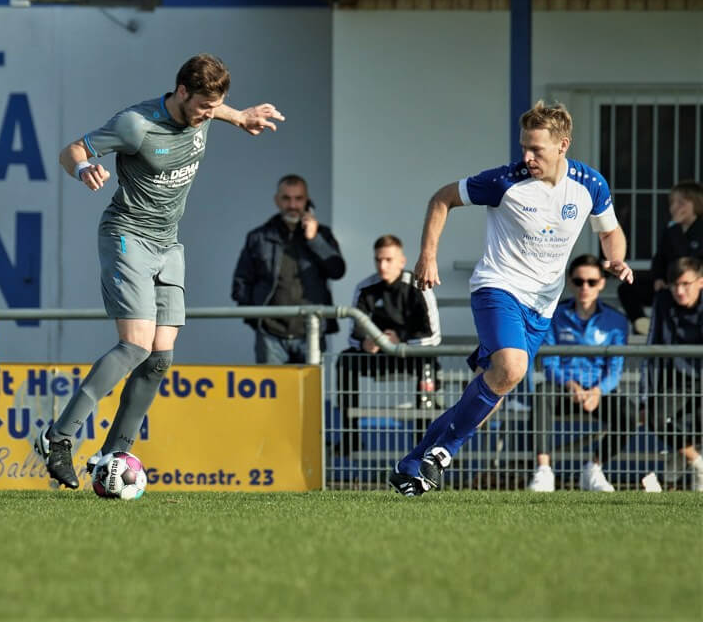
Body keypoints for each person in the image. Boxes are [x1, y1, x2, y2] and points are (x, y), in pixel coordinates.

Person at [38, 53, 285, 489]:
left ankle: (114, 452)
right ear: (182, 93)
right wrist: (82, 168)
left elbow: (217, 109)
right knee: (134, 345)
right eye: (204, 107)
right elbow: (71, 150)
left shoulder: (202, 114)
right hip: (127, 234)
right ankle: (58, 438)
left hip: (169, 244)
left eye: (216, 107)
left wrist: (239, 116)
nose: (208, 115)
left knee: (160, 357)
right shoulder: (136, 124)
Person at [388, 100, 633, 497]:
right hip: (497, 287)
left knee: (497, 386)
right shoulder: (505, 180)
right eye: (524, 147)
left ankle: (413, 463)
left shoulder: (591, 184)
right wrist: (427, 255)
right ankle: (444, 453)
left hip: (541, 305)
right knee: (513, 367)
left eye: (536, 149)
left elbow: (610, 231)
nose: (527, 157)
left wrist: (617, 258)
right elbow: (441, 198)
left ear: (563, 145)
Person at [528, 254, 634, 492]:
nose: (585, 287)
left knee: (628, 412)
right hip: (564, 390)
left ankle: (594, 468)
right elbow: (549, 363)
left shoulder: (616, 321)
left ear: (602, 283)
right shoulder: (554, 315)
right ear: (570, 282)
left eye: (592, 282)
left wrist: (597, 391)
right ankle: (543, 470)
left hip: (598, 392)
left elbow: (615, 368)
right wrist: (571, 386)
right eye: (578, 281)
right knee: (542, 394)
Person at [335, 234, 440, 453]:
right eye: (378, 260)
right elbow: (353, 334)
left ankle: (423, 446)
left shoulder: (419, 285)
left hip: (411, 356)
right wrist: (365, 343)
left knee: (428, 361)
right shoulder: (365, 288)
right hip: (378, 357)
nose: (383, 265)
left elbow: (433, 336)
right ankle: (350, 437)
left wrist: (400, 340)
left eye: (389, 260)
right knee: (345, 360)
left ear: (402, 261)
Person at [231, 174, 346, 363]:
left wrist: (314, 239)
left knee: (308, 392)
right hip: (271, 334)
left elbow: (337, 270)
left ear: (307, 201)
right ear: (277, 201)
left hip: (311, 331)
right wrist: (256, 319)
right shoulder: (259, 237)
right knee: (272, 391)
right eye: (286, 198)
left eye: (298, 199)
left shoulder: (322, 234)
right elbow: (241, 282)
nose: (292, 205)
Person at [641, 256, 703, 491]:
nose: (679, 291)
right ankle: (696, 462)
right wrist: (645, 397)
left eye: (686, 284)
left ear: (700, 282)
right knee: (655, 416)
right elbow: (652, 345)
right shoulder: (663, 300)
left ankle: (684, 461)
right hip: (678, 380)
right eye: (674, 285)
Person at [618, 180, 703, 334]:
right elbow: (659, 258)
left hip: (693, 286)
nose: (675, 208)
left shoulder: (692, 229)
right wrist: (658, 278)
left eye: (681, 203)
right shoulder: (671, 229)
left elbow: (687, 259)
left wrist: (676, 229)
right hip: (668, 285)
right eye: (672, 203)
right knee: (627, 288)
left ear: (695, 204)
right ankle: (641, 323)